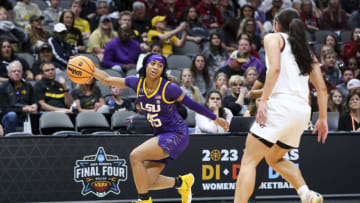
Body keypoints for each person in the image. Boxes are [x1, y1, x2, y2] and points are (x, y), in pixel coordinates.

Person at [93, 53, 229, 203]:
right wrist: (90, 68)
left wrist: (215, 118)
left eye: (160, 65)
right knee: (147, 182)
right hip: (160, 134)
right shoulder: (136, 83)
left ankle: (144, 200)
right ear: (146, 65)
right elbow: (107, 79)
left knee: (135, 156)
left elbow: (193, 105)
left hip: (177, 133)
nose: (156, 67)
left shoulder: (169, 88)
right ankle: (182, 183)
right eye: (153, 64)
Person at [234, 8, 328, 203]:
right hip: (302, 113)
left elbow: (275, 69)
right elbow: (322, 88)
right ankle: (306, 193)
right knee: (274, 158)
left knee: (248, 161)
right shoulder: (306, 50)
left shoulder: (273, 38)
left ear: (277, 23)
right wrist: (323, 119)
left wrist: (264, 101)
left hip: (280, 108)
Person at [0, 61, 38, 135]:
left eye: (19, 71)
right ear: (8, 74)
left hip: (26, 115)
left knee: (39, 114)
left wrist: (35, 105)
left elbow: (35, 101)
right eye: (14, 71)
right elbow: (4, 109)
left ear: (22, 73)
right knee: (11, 115)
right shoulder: (3, 87)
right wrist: (22, 109)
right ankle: (10, 140)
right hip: (8, 116)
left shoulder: (28, 86)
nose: (16, 73)